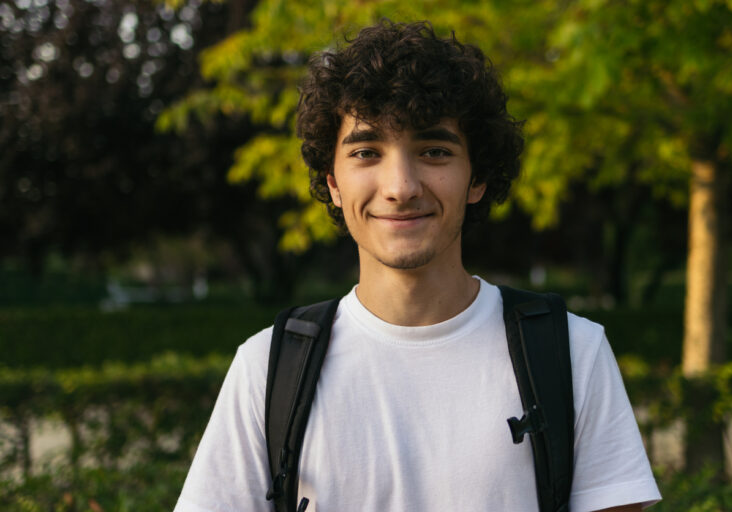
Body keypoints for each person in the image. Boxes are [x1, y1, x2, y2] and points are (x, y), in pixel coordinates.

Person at [174, 20, 661, 512]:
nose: (401, 186)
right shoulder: (268, 368)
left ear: (477, 178)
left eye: (433, 151)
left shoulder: (572, 353)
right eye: (367, 152)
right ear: (334, 183)